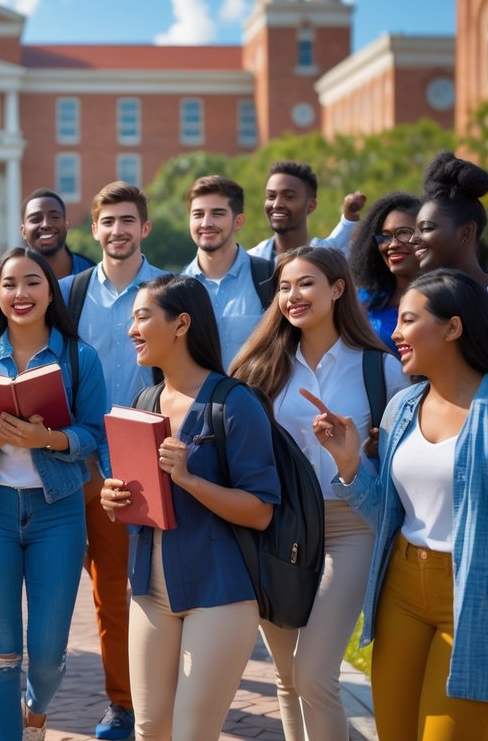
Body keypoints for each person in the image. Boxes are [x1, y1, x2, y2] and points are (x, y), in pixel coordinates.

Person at [309, 269, 488, 740]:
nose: (396, 333)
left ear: (453, 327)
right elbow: (389, 513)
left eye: (408, 320)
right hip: (400, 590)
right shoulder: (402, 405)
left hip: (481, 602)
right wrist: (348, 464)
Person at [229, 247, 407, 741]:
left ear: (337, 288)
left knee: (313, 673)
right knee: (288, 679)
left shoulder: (381, 369)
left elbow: (397, 462)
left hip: (350, 525)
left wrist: (353, 453)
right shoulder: (257, 367)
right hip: (280, 527)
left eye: (305, 284)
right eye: (284, 287)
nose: (292, 296)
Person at [100, 274, 280, 740]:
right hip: (149, 588)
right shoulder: (144, 401)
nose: (131, 330)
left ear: (181, 324)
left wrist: (189, 479)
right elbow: (144, 501)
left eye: (142, 317)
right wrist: (115, 499)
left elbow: (261, 510)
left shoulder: (235, 403)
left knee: (192, 734)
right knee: (149, 729)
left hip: (220, 593)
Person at [0, 247, 106, 741]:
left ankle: (35, 706)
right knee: (1, 652)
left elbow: (93, 434)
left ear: (50, 291)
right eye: (9, 284)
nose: (21, 293)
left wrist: (49, 439)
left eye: (32, 282)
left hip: (57, 514)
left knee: (50, 650)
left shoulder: (79, 356)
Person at [57, 182, 166, 740]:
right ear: (93, 230)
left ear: (144, 228)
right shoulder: (69, 293)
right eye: (108, 222)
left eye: (129, 221)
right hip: (77, 457)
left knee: (140, 590)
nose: (118, 231)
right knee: (103, 592)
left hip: (145, 457)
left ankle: (136, 700)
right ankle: (122, 698)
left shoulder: (170, 291)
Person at [413, 150, 488, 357]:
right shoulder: (419, 302)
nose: (412, 239)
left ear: (467, 231)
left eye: (425, 229)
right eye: (414, 230)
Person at [181, 176, 270, 368]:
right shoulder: (176, 289)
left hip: (256, 397)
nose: (206, 223)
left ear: (238, 222)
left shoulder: (268, 278)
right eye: (198, 214)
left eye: (217, 213)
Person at [245, 160, 366, 265]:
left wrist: (350, 213)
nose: (276, 205)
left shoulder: (327, 258)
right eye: (271, 196)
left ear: (311, 205)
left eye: (289, 197)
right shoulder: (250, 261)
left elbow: (344, 233)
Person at [349, 192, 423, 354]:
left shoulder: (445, 299)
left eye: (404, 233)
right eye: (385, 236)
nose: (392, 244)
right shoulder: (365, 298)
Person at [20, 188, 96, 279]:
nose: (46, 225)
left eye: (54, 217)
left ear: (66, 226)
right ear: (23, 231)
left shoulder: (90, 273)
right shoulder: (13, 276)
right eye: (35, 219)